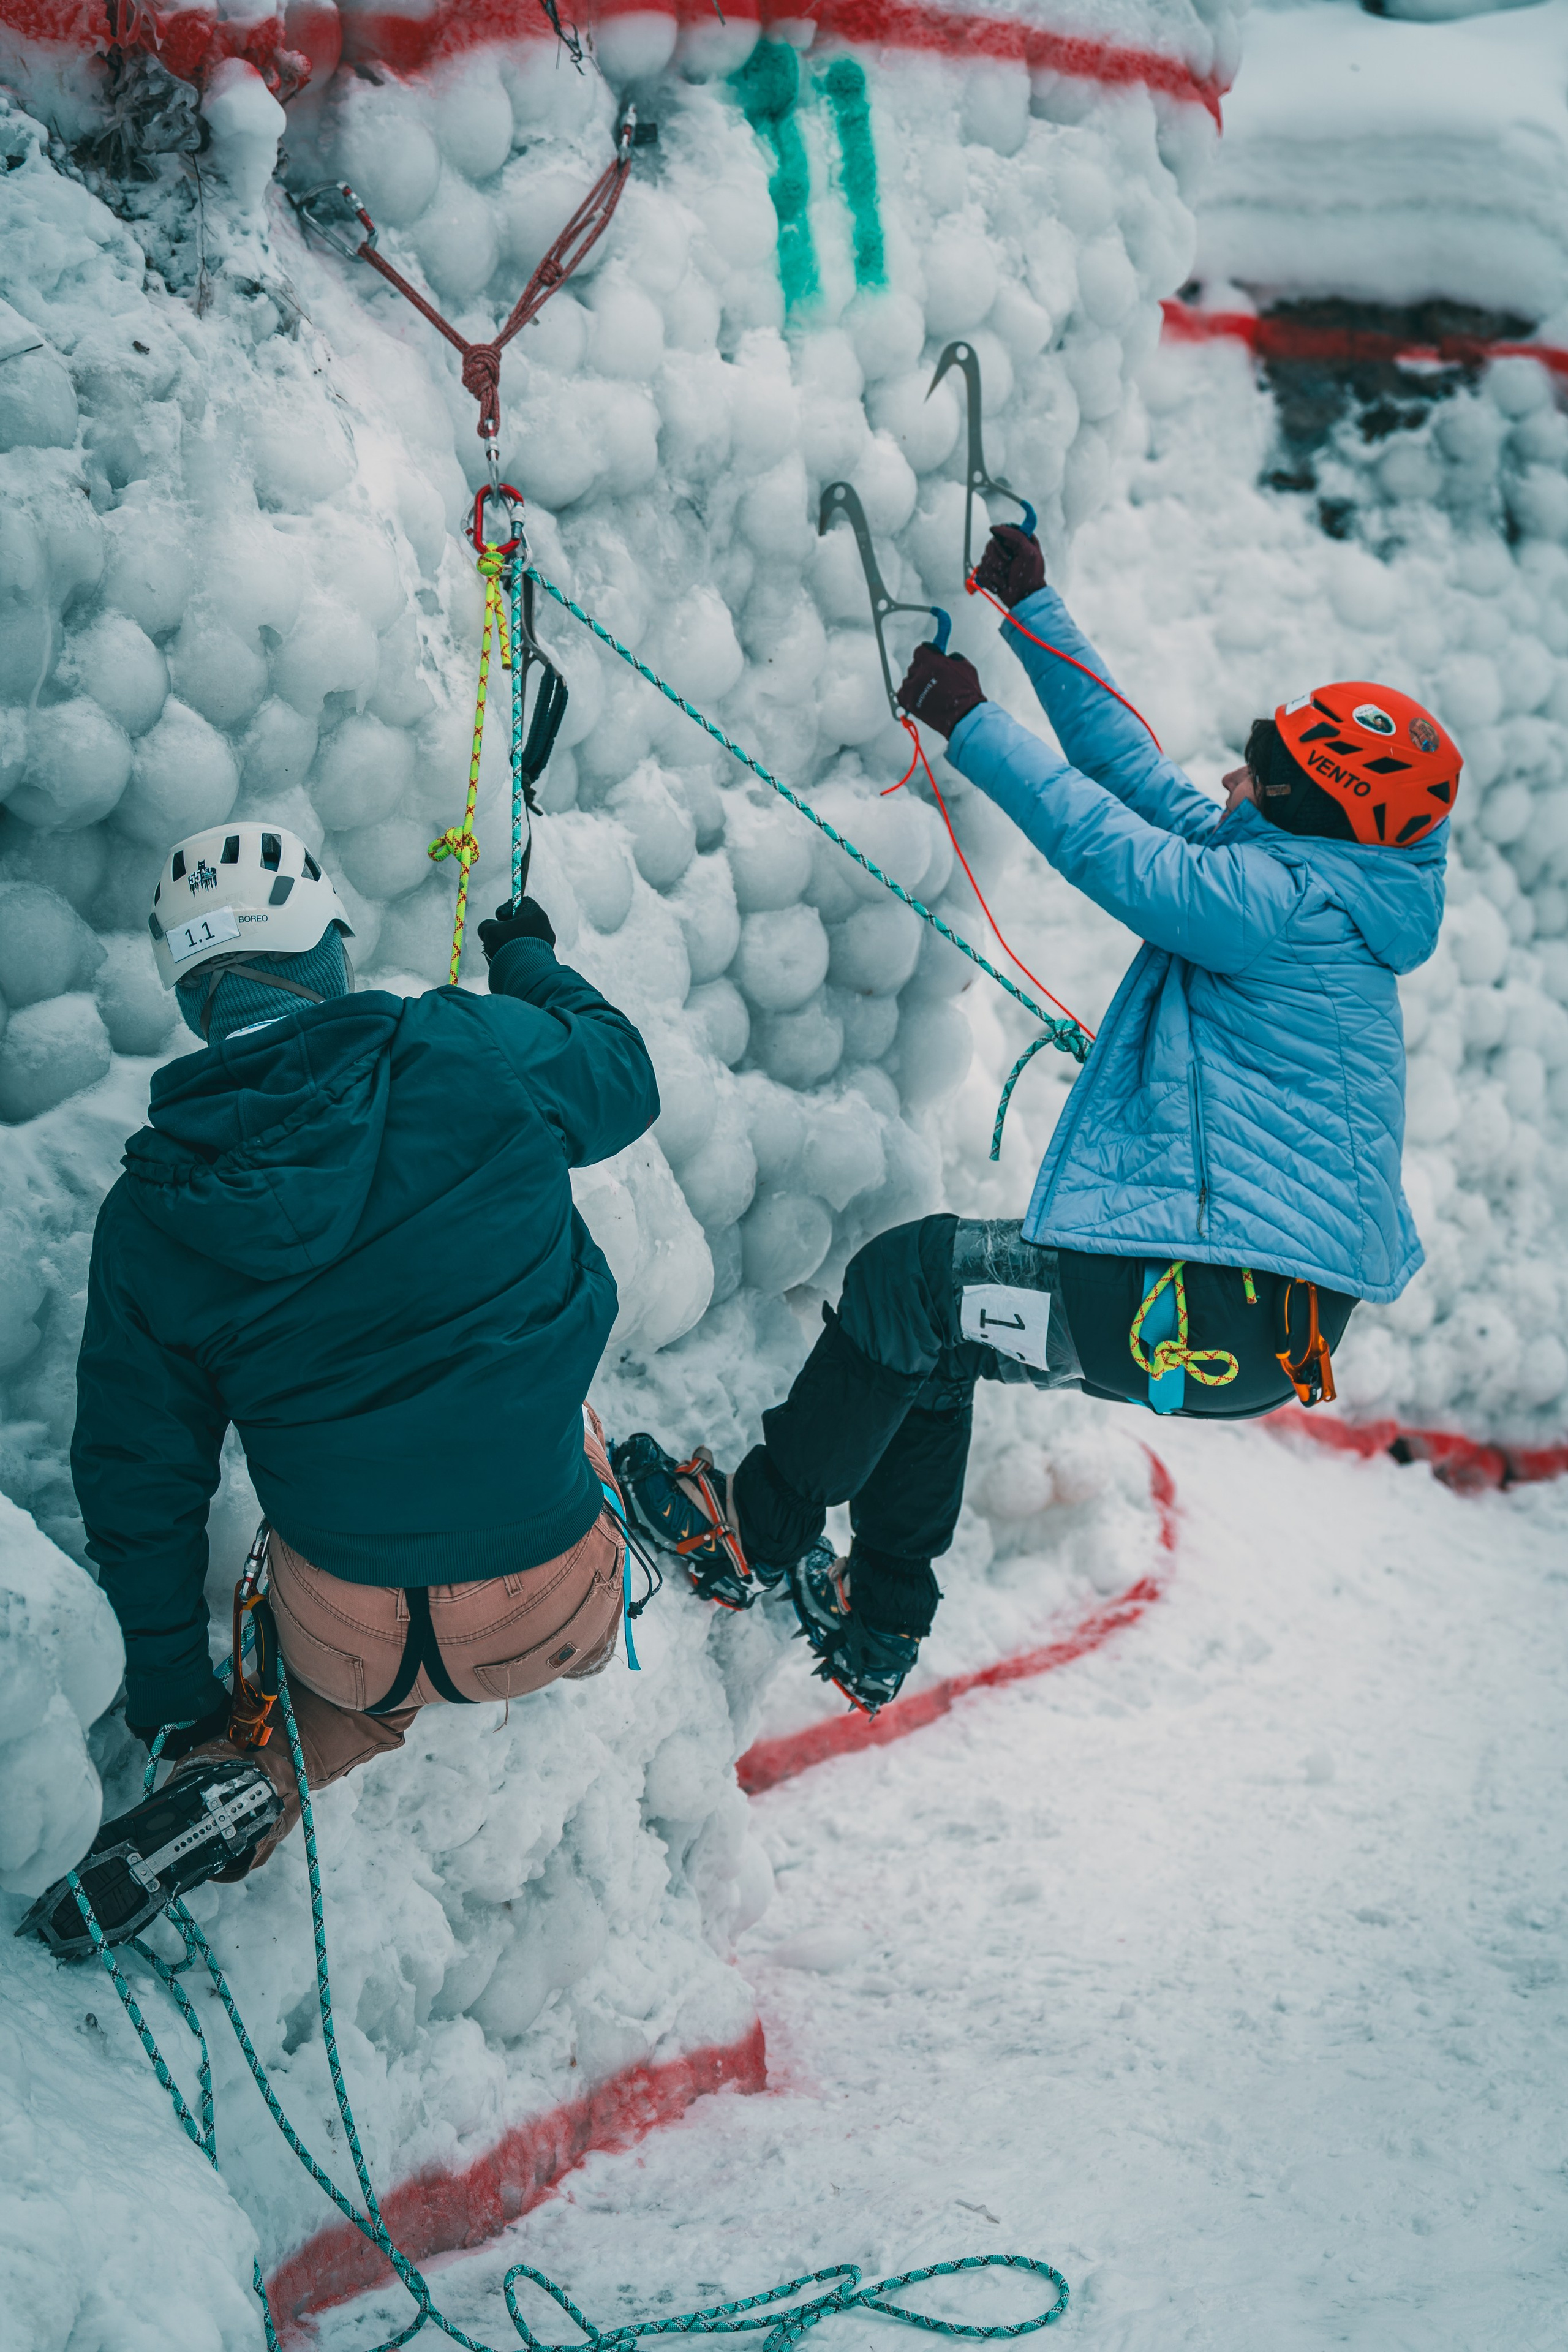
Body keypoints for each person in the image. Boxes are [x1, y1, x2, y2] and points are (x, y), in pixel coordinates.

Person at [615, 524, 1461, 1718]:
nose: (1230, 778)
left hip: (1207, 1301)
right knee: (938, 1320)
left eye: (1262, 773)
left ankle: (749, 1537)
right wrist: (1035, 613)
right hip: (1242, 1312)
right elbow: (1133, 780)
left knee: (906, 1284)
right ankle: (879, 1622)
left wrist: (970, 721)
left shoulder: (1275, 903)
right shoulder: (1308, 882)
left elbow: (1104, 847)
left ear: (1316, 809)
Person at [23, 823, 658, 1956]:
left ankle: (251, 1772)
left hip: (346, 1627)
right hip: (556, 1602)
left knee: (353, 1614)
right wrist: (529, 964)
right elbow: (622, 1078)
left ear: (190, 999)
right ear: (329, 949)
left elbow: (141, 1476)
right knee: (566, 1422)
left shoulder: (154, 1214)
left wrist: (173, 1693)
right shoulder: (472, 1048)